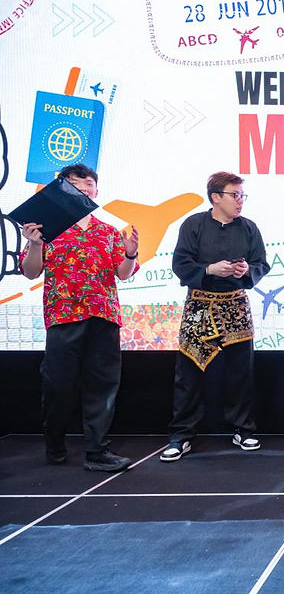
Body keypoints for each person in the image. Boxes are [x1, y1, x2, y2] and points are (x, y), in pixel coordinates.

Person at [19, 164, 138, 471]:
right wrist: (35, 244)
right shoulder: (47, 229)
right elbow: (31, 272)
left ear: (96, 191)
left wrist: (130, 254)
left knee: (103, 385)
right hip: (64, 316)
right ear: (63, 190)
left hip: (104, 315)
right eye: (76, 185)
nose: (84, 189)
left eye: (89, 185)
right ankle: (54, 444)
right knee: (58, 385)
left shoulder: (108, 231)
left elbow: (124, 274)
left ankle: (97, 452)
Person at [160, 172, 269, 462]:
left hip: (235, 304)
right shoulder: (193, 224)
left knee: (240, 372)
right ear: (215, 197)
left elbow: (261, 263)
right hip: (200, 304)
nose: (240, 201)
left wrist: (246, 270)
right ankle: (181, 435)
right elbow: (180, 262)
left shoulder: (249, 228)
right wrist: (209, 269)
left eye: (242, 195)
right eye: (235, 195)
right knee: (189, 372)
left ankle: (243, 428)